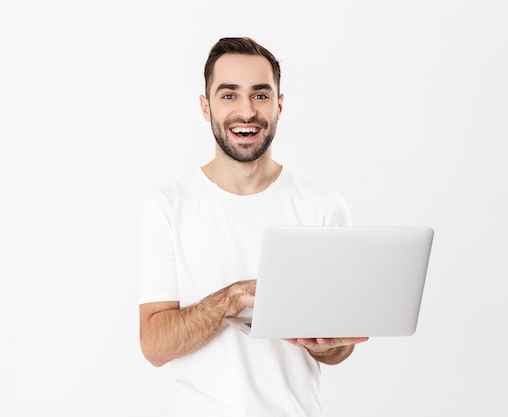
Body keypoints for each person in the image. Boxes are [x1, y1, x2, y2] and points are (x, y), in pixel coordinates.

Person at [138, 37, 369, 416]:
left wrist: (327, 344)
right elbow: (155, 345)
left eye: (260, 95)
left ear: (279, 104)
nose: (246, 111)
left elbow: (340, 349)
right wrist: (234, 297)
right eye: (229, 95)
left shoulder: (323, 207)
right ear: (205, 106)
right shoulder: (167, 207)